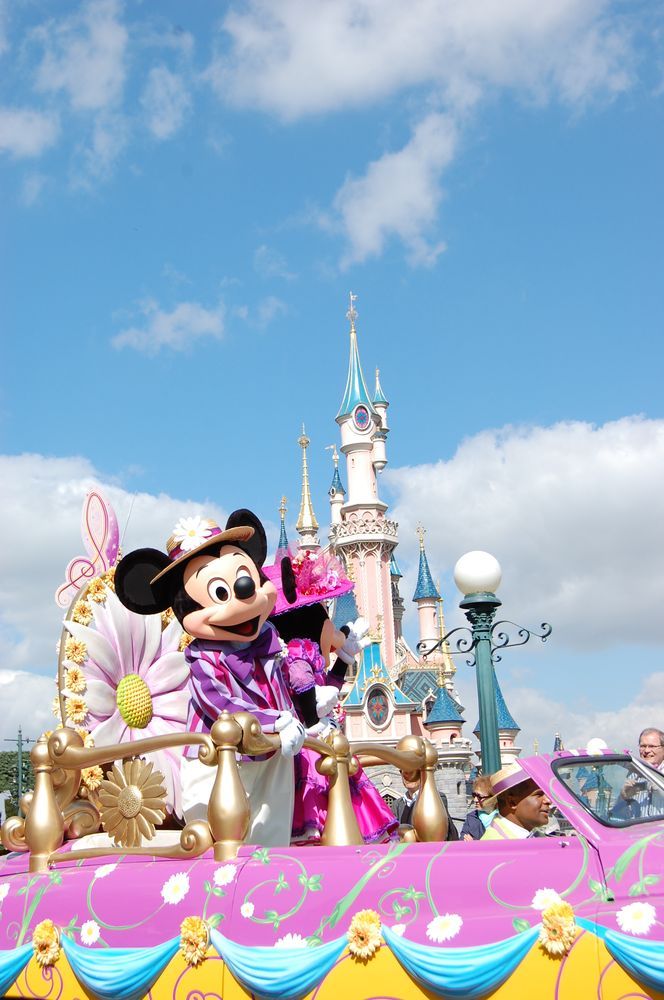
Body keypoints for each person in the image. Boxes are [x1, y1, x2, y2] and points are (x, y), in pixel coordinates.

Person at [481, 763, 552, 840]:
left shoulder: (532, 835)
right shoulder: (495, 843)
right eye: (539, 794)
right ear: (512, 802)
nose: (548, 801)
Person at [395, 770, 459, 841]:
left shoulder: (435, 798)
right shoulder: (397, 804)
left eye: (413, 772)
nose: (409, 777)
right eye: (405, 773)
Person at [460, 775, 497, 841]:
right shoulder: (471, 817)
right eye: (474, 795)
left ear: (492, 798)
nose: (475, 800)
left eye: (479, 797)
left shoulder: (504, 817)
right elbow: (463, 840)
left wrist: (475, 844)